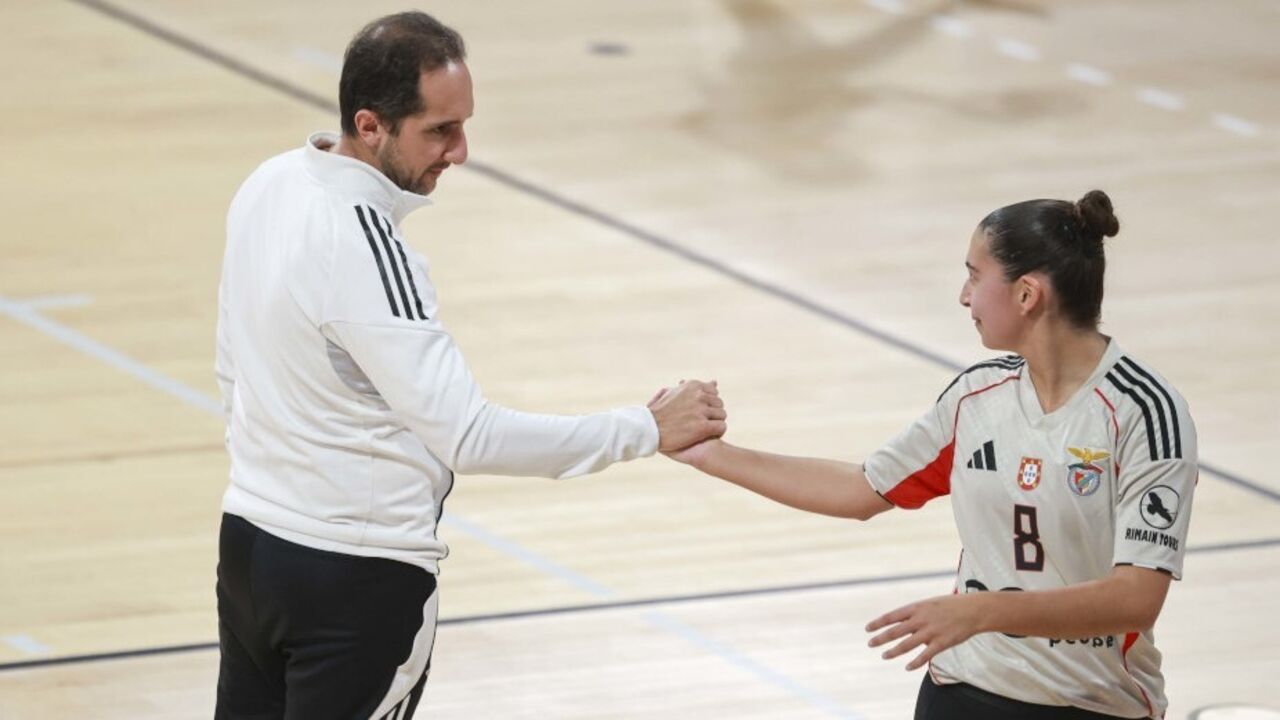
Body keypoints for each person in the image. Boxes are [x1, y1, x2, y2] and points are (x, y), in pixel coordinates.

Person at [212, 11, 725, 720]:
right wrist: (643, 427)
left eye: (463, 125)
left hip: (249, 551)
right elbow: (470, 436)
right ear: (371, 125)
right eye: (439, 131)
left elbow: (229, 368)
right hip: (356, 580)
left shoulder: (269, 184)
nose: (459, 151)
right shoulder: (366, 247)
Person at [665, 190, 1196, 719]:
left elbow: (1135, 598)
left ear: (1027, 294)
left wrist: (985, 611)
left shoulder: (1144, 413)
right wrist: (710, 454)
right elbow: (861, 490)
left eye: (974, 275)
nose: (964, 297)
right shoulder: (976, 398)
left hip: (1090, 705)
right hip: (962, 688)